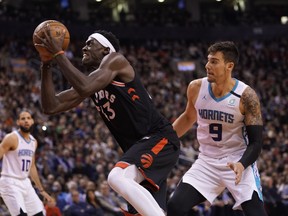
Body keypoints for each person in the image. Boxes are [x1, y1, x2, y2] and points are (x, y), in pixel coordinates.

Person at [35, 27, 180, 216]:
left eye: (90, 44)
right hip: (140, 149)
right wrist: (46, 65)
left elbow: (85, 87)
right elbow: (51, 106)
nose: (84, 49)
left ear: (105, 50)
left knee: (116, 177)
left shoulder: (116, 60)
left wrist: (58, 53)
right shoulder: (92, 80)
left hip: (159, 139)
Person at [167, 41, 268, 216]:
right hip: (207, 161)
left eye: (214, 61)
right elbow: (189, 117)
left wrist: (242, 164)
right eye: (208, 60)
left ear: (229, 66)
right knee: (175, 206)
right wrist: (162, 141)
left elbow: (256, 142)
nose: (207, 66)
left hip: (237, 161)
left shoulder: (247, 96)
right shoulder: (196, 87)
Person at [0, 110, 53, 216]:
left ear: (32, 121)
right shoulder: (12, 138)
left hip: (25, 182)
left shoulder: (33, 141)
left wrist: (41, 189)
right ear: (18, 122)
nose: (26, 121)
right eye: (23, 119)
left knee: (40, 214)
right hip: (10, 182)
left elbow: (32, 166)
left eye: (28, 118)